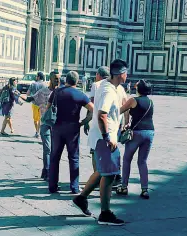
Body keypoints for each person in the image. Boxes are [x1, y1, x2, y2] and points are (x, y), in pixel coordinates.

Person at [73, 59, 128, 226]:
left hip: (105, 136)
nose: (127, 76)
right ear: (121, 74)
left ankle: (81, 198)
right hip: (105, 139)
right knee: (109, 174)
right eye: (126, 73)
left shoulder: (111, 86)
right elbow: (102, 114)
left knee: (103, 172)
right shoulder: (108, 91)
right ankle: (105, 213)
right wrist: (107, 137)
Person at [48, 71, 94, 194]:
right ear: (77, 81)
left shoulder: (56, 92)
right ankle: (74, 187)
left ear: (66, 80)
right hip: (73, 128)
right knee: (73, 157)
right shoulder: (80, 94)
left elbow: (48, 108)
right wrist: (84, 121)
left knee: (54, 157)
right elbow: (92, 109)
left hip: (57, 128)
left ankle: (52, 186)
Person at [85, 66, 128, 187]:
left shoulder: (98, 85)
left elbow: (93, 107)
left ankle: (88, 191)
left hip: (103, 130)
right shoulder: (119, 88)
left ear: (98, 75)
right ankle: (113, 178)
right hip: (114, 127)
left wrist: (87, 120)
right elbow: (125, 106)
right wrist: (125, 123)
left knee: (98, 156)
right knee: (111, 158)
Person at [117, 79, 154, 199]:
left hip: (136, 134)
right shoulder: (150, 102)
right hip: (149, 132)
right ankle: (145, 190)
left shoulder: (133, 100)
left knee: (127, 159)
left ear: (138, 88)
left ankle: (124, 187)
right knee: (142, 161)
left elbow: (120, 110)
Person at [21, 71, 61, 181]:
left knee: (55, 149)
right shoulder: (43, 91)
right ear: (51, 79)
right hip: (45, 123)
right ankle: (47, 171)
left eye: (59, 79)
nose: (58, 81)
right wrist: (20, 95)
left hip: (57, 124)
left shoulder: (61, 92)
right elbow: (31, 99)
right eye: (56, 79)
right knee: (47, 148)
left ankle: (47, 170)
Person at [27, 72, 47, 138]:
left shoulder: (33, 84)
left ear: (38, 77)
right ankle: (39, 132)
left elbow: (28, 93)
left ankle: (37, 132)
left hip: (35, 104)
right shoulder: (45, 85)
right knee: (41, 119)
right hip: (43, 104)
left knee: (36, 119)